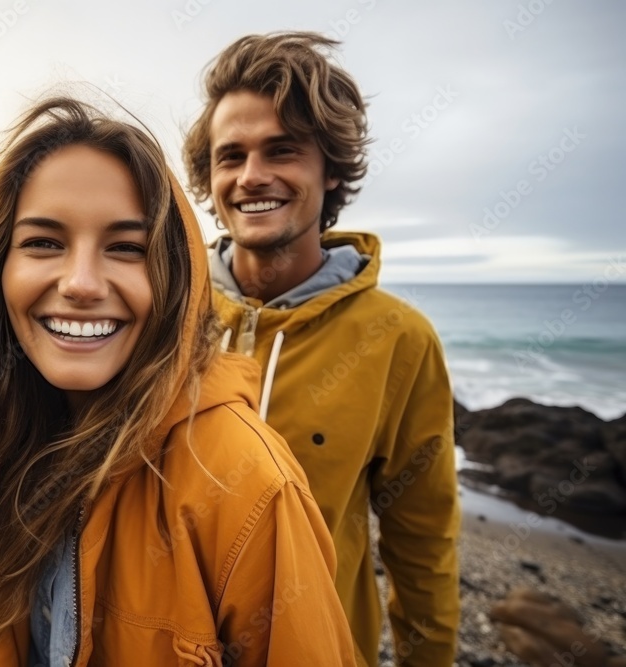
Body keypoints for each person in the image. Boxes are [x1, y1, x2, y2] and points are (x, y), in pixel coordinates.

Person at [0, 97, 358, 665]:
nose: (82, 283)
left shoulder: (250, 485)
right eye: (44, 242)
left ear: (175, 280)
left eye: (126, 248)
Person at [182, 33, 461, 666]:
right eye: (231, 156)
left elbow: (423, 541)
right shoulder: (164, 311)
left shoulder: (400, 340)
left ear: (330, 167)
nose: (253, 176)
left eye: (283, 151)